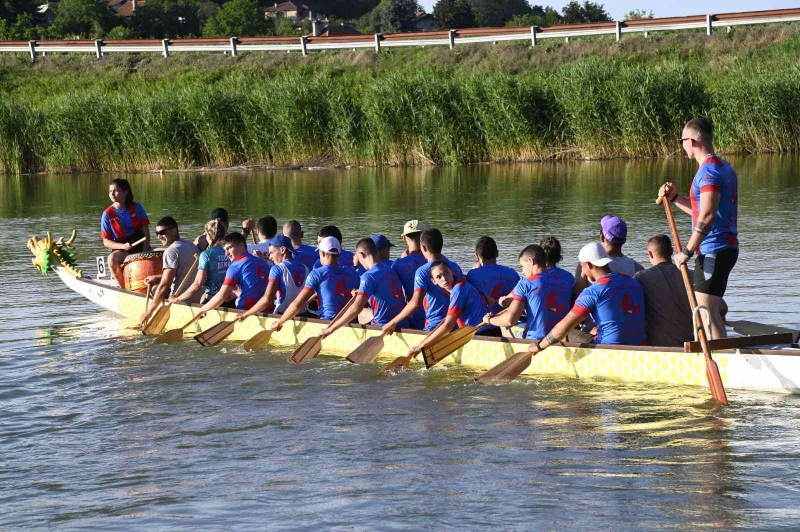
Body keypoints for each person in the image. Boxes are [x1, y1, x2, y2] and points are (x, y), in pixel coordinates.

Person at [659, 117, 738, 340]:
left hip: (713, 249)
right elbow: (701, 211)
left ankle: (723, 364)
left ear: (693, 140)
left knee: (706, 314)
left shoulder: (709, 172)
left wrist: (687, 251)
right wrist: (674, 198)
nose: (681, 145)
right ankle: (725, 357)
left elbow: (708, 215)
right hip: (725, 248)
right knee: (709, 313)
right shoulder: (724, 167)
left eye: (682, 140)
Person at [527, 242, 646, 354]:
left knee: (566, 332)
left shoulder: (593, 291)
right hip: (640, 344)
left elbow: (563, 328)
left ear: (588, 265)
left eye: (581, 266)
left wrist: (539, 346)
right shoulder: (633, 282)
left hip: (608, 349)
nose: (582, 270)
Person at [319, 238, 408, 336]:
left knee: (358, 313)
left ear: (361, 254)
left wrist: (331, 329)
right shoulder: (390, 270)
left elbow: (356, 308)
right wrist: (361, 291)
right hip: (403, 324)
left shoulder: (368, 276)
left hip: (383, 328)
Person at [268, 236, 360, 331]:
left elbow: (297, 304)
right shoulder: (353, 273)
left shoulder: (317, 274)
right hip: (351, 323)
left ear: (322, 253)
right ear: (339, 254)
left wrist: (280, 322)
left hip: (327, 323)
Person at [382, 228, 463, 334]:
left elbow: (416, 303)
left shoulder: (423, 271)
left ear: (423, 248)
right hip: (456, 325)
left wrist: (392, 323)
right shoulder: (454, 267)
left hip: (434, 328)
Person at [405, 260, 491, 358]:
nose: (444, 279)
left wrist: (420, 347)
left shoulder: (458, 290)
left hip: (481, 335)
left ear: (452, 272)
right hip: (485, 330)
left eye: (446, 273)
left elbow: (448, 325)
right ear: (434, 281)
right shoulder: (463, 284)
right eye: (438, 277)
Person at [488, 244, 572, 341]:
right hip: (560, 338)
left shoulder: (526, 284)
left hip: (536, 340)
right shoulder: (565, 284)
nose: (522, 272)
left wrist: (489, 320)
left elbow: (510, 320)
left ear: (531, 261)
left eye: (522, 266)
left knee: (504, 326)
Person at [634, 235, 695, 347]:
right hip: (690, 344)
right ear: (671, 251)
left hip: (659, 346)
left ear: (650, 254)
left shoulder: (641, 277)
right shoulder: (691, 275)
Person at [138, 217, 201, 325]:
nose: (158, 237)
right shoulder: (191, 245)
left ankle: (155, 313)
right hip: (198, 297)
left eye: (162, 232)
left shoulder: (171, 251)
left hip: (179, 299)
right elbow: (184, 272)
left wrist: (148, 311)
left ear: (174, 231)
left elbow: (164, 285)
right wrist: (157, 277)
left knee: (155, 288)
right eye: (156, 233)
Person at [193, 232, 270, 316]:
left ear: (241, 246)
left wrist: (201, 310)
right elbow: (255, 288)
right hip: (267, 311)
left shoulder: (235, 266)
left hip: (245, 311)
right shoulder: (263, 263)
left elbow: (222, 296)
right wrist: (235, 293)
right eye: (225, 250)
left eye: (229, 248)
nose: (226, 254)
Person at [573, 215, 644, 299]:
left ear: (602, 237)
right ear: (624, 240)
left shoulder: (587, 263)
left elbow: (576, 296)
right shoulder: (637, 268)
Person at [238, 235, 309, 319]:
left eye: (271, 253)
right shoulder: (306, 267)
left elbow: (267, 299)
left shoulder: (277, 269)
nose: (270, 257)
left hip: (282, 316)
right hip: (304, 315)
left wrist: (245, 314)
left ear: (282, 250)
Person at [101, 178, 151, 290]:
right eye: (110, 191)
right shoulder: (107, 214)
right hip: (122, 249)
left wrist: (144, 252)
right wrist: (122, 246)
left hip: (140, 245)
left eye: (116, 190)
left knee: (166, 252)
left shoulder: (137, 207)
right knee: (111, 259)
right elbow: (106, 242)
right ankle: (124, 288)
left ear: (125, 192)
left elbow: (146, 233)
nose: (112, 194)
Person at [170, 218, 231, 306]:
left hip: (213, 300)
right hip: (230, 297)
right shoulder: (231, 251)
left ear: (209, 235)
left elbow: (198, 285)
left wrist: (177, 298)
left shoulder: (206, 255)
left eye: (206, 234)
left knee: (203, 297)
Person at [391, 220, 429, 330]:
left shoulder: (398, 265)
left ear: (404, 238)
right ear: (424, 237)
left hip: (415, 318)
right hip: (439, 317)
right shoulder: (436, 260)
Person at [466, 236, 519, 314]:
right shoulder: (512, 273)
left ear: (477, 256)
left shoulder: (472, 275)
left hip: (484, 321)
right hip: (508, 318)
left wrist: (474, 270)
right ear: (497, 253)